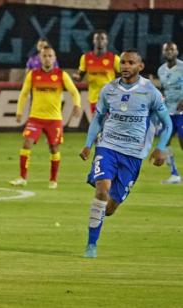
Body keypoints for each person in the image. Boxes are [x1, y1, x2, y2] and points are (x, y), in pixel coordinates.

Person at [80, 49, 172, 258]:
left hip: (133, 155)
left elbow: (167, 125)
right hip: (108, 147)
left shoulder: (150, 92)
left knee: (110, 208)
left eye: (130, 63)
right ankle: (91, 244)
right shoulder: (108, 90)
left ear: (140, 66)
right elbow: (98, 118)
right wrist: (88, 144)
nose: (125, 66)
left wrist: (161, 147)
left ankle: (100, 217)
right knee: (102, 190)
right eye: (123, 62)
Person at [10, 46, 81, 189]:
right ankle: (22, 178)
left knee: (54, 148)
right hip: (35, 118)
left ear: (54, 58)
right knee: (26, 144)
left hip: (54, 119)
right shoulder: (33, 74)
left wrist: (77, 105)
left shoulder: (61, 75)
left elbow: (74, 92)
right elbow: (24, 93)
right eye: (45, 56)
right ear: (40, 58)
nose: (47, 58)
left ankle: (53, 180)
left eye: (50, 55)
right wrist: (19, 112)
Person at [73, 29, 120, 114]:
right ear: (93, 41)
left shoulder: (114, 58)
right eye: (97, 38)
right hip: (94, 98)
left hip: (110, 98)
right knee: (97, 125)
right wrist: (77, 77)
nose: (100, 41)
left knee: (108, 125)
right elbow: (80, 76)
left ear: (107, 41)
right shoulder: (85, 58)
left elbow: (123, 76)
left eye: (102, 38)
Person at [156, 42, 183, 184]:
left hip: (182, 113)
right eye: (166, 49)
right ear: (163, 52)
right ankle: (175, 174)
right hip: (169, 112)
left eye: (172, 49)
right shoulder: (161, 70)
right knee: (164, 140)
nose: (169, 51)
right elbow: (164, 90)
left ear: (177, 51)